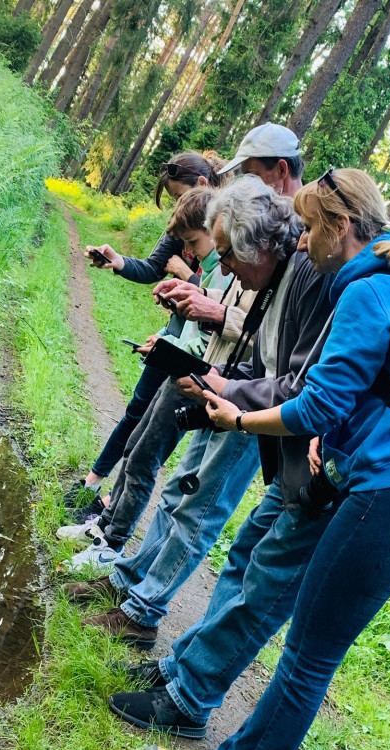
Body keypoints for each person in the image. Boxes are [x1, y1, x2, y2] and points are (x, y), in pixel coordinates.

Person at [139, 168, 390, 750]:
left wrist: (237, 420)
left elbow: (317, 401)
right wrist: (334, 439)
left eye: (311, 227)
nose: (301, 239)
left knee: (307, 659)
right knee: (300, 640)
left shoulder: (365, 289)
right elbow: (387, 397)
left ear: (339, 227)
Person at [64, 176, 328, 653]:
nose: (220, 265)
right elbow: (262, 353)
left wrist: (223, 383)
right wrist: (211, 373)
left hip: (252, 409)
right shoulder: (273, 273)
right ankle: (130, 583)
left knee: (200, 509)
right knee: (178, 490)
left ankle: (142, 614)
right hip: (233, 388)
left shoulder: (304, 276)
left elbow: (298, 381)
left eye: (226, 254)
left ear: (259, 246)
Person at [60, 186, 257, 566]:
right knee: (135, 447)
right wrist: (169, 334)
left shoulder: (231, 265)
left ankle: (111, 545)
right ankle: (104, 526)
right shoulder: (220, 267)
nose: (195, 251)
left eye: (195, 242)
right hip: (183, 365)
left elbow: (244, 333)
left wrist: (195, 305)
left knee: (145, 457)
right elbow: (200, 322)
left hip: (203, 375)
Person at [62, 152, 225, 512]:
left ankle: (111, 505)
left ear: (201, 186)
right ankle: (94, 482)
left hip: (201, 354)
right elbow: (153, 266)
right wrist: (117, 261)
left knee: (155, 433)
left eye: (178, 198)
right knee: (137, 411)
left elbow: (229, 300)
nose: (175, 209)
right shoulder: (186, 224)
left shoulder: (229, 235)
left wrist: (187, 277)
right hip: (173, 337)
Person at [218, 122, 303, 198]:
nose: (247, 185)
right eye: (246, 177)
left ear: (281, 169)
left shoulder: (310, 214)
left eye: (253, 176)